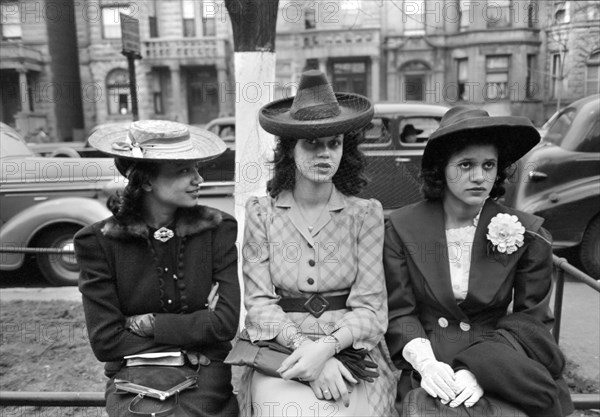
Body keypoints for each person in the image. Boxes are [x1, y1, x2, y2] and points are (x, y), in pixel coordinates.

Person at [384, 106, 573, 416]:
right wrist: (426, 363)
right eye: (466, 164)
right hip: (431, 365)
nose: (479, 176)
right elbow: (400, 311)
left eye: (488, 165)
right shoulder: (402, 228)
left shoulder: (527, 233)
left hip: (499, 361)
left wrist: (479, 371)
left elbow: (532, 321)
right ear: (442, 168)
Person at [239, 70, 398, 416]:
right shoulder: (261, 214)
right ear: (290, 150)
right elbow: (259, 305)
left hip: (353, 349)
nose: (324, 153)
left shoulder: (365, 214)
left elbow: (371, 310)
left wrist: (325, 349)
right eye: (312, 143)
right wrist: (305, 351)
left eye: (334, 143)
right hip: (282, 347)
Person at [75, 120, 240, 417]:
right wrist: (196, 324)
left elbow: (224, 324)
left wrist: (148, 322)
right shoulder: (98, 242)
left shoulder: (217, 229)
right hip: (133, 378)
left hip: (203, 371)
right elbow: (106, 341)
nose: (198, 179)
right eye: (184, 170)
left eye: (196, 168)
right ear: (147, 180)